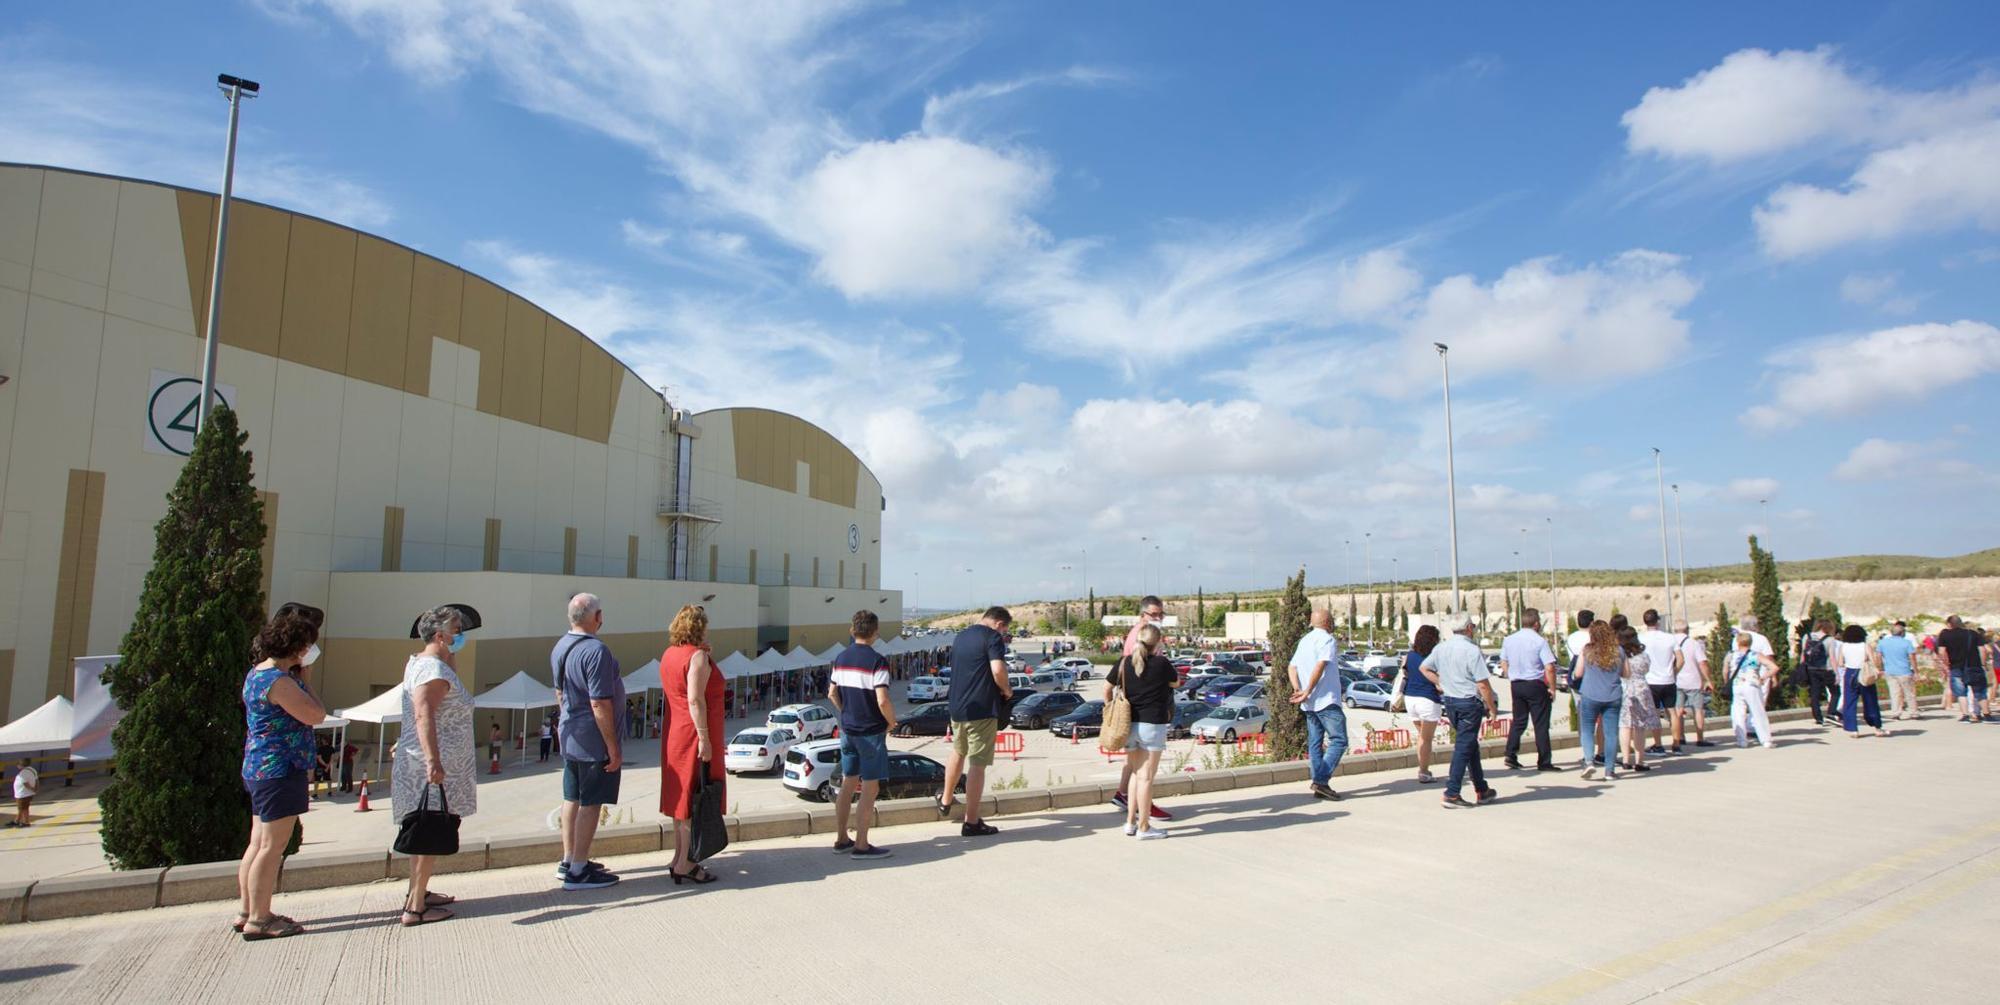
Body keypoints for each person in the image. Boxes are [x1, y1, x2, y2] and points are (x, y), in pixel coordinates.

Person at [235, 613, 326, 940]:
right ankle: (260, 919)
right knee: (272, 848)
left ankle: (248, 909)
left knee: (257, 843)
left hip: (260, 767)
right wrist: (307, 681)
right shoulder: (280, 682)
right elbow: (315, 714)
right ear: (298, 647)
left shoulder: (258, 674)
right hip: (280, 768)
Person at [396, 605, 477, 926]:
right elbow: (423, 713)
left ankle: (420, 890)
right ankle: (416, 907)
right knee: (428, 833)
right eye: (457, 630)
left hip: (428, 762)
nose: (462, 636)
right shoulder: (433, 672)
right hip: (431, 768)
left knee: (424, 832)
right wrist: (433, 760)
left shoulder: (425, 664)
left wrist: (450, 658)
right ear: (441, 636)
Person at [553, 592, 624, 890]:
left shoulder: (560, 646)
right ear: (596, 617)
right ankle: (579, 870)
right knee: (591, 802)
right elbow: (600, 702)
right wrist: (612, 745)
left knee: (572, 798)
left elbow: (559, 693)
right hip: (592, 738)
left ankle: (570, 858)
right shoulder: (597, 651)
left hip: (570, 733)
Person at [661, 604, 725, 883]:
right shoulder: (697, 657)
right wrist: (704, 737)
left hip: (675, 732)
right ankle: (686, 862)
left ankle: (679, 856)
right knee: (693, 799)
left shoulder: (669, 655)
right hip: (693, 734)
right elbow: (695, 699)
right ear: (699, 628)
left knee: (681, 797)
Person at [828, 610, 898, 859]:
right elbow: (882, 699)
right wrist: (891, 722)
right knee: (870, 788)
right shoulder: (877, 661)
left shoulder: (840, 658)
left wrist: (846, 712)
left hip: (848, 729)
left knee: (848, 783)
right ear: (875, 632)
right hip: (870, 731)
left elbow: (832, 693)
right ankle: (862, 844)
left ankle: (841, 838)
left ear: (852, 630)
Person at [940, 606, 1013, 837]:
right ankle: (971, 821)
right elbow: (997, 669)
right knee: (978, 764)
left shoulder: (961, 636)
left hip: (958, 706)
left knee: (958, 751)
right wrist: (1007, 690)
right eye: (1004, 630)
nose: (1003, 634)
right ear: (999, 624)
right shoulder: (992, 637)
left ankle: (945, 799)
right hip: (982, 708)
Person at [1418, 616, 1498, 808]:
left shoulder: (1441, 648)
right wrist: (1492, 707)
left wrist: (1441, 683)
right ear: (1469, 628)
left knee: (1469, 745)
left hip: (1451, 702)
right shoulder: (1471, 650)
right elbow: (1483, 684)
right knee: (1464, 746)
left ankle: (1481, 789)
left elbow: (1424, 667)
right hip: (1469, 702)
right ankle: (1452, 792)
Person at [1109, 622, 1176, 838]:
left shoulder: (1124, 662)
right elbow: (1176, 683)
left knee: (1135, 774)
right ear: (1157, 643)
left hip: (1129, 724)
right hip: (1152, 724)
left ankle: (1130, 823)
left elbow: (1106, 687)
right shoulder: (1161, 663)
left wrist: (1108, 707)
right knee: (1146, 777)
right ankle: (1144, 827)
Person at [1286, 609, 1348, 800]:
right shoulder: (1327, 640)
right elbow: (1321, 665)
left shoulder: (1305, 641)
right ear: (1328, 622)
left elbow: (1292, 667)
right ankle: (1320, 781)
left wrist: (1299, 689)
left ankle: (1319, 783)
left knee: (1315, 743)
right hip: (1325, 700)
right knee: (1339, 740)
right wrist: (1308, 690)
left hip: (1309, 704)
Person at [1499, 608, 1558, 772]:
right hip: (1535, 683)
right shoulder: (1539, 641)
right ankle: (1544, 760)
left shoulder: (1509, 640)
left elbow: (1503, 661)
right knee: (1540, 723)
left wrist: (1510, 674)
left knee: (1519, 721)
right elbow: (1549, 667)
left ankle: (1510, 754)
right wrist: (1552, 688)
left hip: (1517, 684)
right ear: (1536, 623)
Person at [1570, 621, 1627, 782]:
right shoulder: (1618, 651)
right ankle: (1610, 770)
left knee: (1587, 730)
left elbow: (1578, 673)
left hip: (1590, 694)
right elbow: (1626, 672)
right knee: (1611, 734)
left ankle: (1589, 761)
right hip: (1613, 695)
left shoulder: (1587, 650)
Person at [1401, 625, 1445, 784]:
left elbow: (1405, 672)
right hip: (1427, 699)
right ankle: (1424, 771)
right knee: (1426, 739)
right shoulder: (1432, 657)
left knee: (1421, 737)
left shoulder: (1410, 655)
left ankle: (1423, 769)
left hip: (1411, 699)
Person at [1832, 623, 1886, 738]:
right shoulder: (1864, 645)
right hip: (1864, 673)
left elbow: (1840, 663)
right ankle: (1877, 727)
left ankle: (1853, 729)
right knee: (1870, 701)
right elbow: (1873, 661)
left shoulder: (1843, 646)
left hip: (1850, 673)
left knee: (1850, 702)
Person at [1637, 610, 1680, 755]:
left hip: (1650, 680)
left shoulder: (1641, 638)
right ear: (1658, 621)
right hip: (1668, 679)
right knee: (1672, 712)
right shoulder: (1670, 638)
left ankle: (1658, 744)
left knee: (1654, 713)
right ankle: (1676, 743)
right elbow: (1681, 658)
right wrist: (1674, 672)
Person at [1726, 630, 1777, 748]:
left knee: (1738, 713)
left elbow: (1725, 670)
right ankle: (1766, 740)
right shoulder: (1756, 655)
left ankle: (1741, 740)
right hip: (1752, 684)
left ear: (1738, 642)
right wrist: (1763, 677)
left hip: (1737, 685)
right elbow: (1774, 667)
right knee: (1758, 712)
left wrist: (1727, 682)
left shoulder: (1731, 655)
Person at [1616, 626, 1657, 773]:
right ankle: (1640, 760)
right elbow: (1646, 669)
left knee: (1624, 725)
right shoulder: (1642, 655)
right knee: (1639, 727)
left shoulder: (1619, 655)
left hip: (1624, 688)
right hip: (1640, 688)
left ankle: (1626, 760)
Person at [1671, 620, 1712, 750]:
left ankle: (1679, 737)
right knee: (1698, 710)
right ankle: (1700, 737)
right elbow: (1702, 663)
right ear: (1687, 629)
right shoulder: (1694, 644)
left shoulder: (1670, 642)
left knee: (1677, 710)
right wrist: (1707, 679)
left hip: (1676, 680)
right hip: (1693, 680)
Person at [1937, 616, 1986, 722]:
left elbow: (1941, 652)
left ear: (1949, 624)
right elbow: (1982, 650)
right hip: (1974, 665)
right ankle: (1982, 713)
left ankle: (1965, 714)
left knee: (1961, 692)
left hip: (1955, 666)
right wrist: (1982, 664)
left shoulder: (1945, 634)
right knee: (1978, 690)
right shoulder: (1972, 633)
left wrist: (1946, 664)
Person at [1877, 621, 1920, 720]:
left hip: (1890, 670)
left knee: (1895, 693)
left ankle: (1896, 712)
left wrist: (1880, 668)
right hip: (1904, 670)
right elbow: (1912, 657)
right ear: (1902, 633)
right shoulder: (1906, 642)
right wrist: (1916, 671)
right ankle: (1913, 712)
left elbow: (1878, 656)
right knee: (1909, 693)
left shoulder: (1883, 642)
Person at [1801, 619, 1838, 727]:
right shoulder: (1830, 639)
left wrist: (1801, 667)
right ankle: (1831, 713)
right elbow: (1832, 657)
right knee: (1836, 692)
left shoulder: (1807, 636)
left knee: (1815, 694)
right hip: (1826, 669)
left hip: (1811, 668)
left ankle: (1818, 718)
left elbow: (1803, 653)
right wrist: (1837, 673)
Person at [9, 758, 37, 828]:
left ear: (21, 765)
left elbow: (25, 783)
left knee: (24, 808)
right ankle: (17, 820)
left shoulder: (23, 772)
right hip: (26, 793)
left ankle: (26, 822)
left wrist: (32, 789)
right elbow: (36, 779)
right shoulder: (32, 770)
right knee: (22, 808)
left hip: (23, 793)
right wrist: (35, 789)